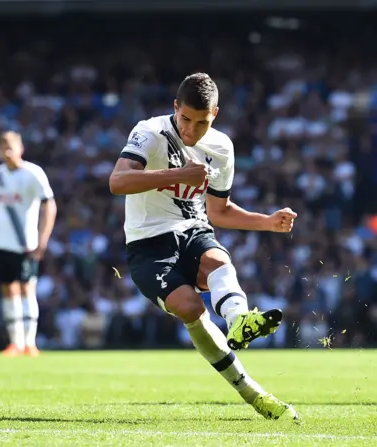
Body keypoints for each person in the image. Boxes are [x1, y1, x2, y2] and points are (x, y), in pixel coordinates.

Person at [109, 73, 300, 421]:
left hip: (193, 230)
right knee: (190, 308)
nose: (191, 130)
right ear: (175, 108)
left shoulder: (221, 147)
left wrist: (267, 221)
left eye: (202, 122)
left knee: (217, 260)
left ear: (216, 115)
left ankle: (239, 319)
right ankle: (250, 391)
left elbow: (219, 211)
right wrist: (177, 175)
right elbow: (117, 181)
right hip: (148, 243)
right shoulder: (150, 132)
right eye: (185, 119)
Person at [0, 131, 57, 357]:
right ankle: (15, 343)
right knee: (8, 288)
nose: (6, 149)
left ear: (20, 147)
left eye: (10, 144)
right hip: (2, 242)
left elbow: (49, 205)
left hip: (26, 242)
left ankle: (30, 342)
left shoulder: (33, 173)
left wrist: (43, 238)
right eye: (2, 144)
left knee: (27, 287)